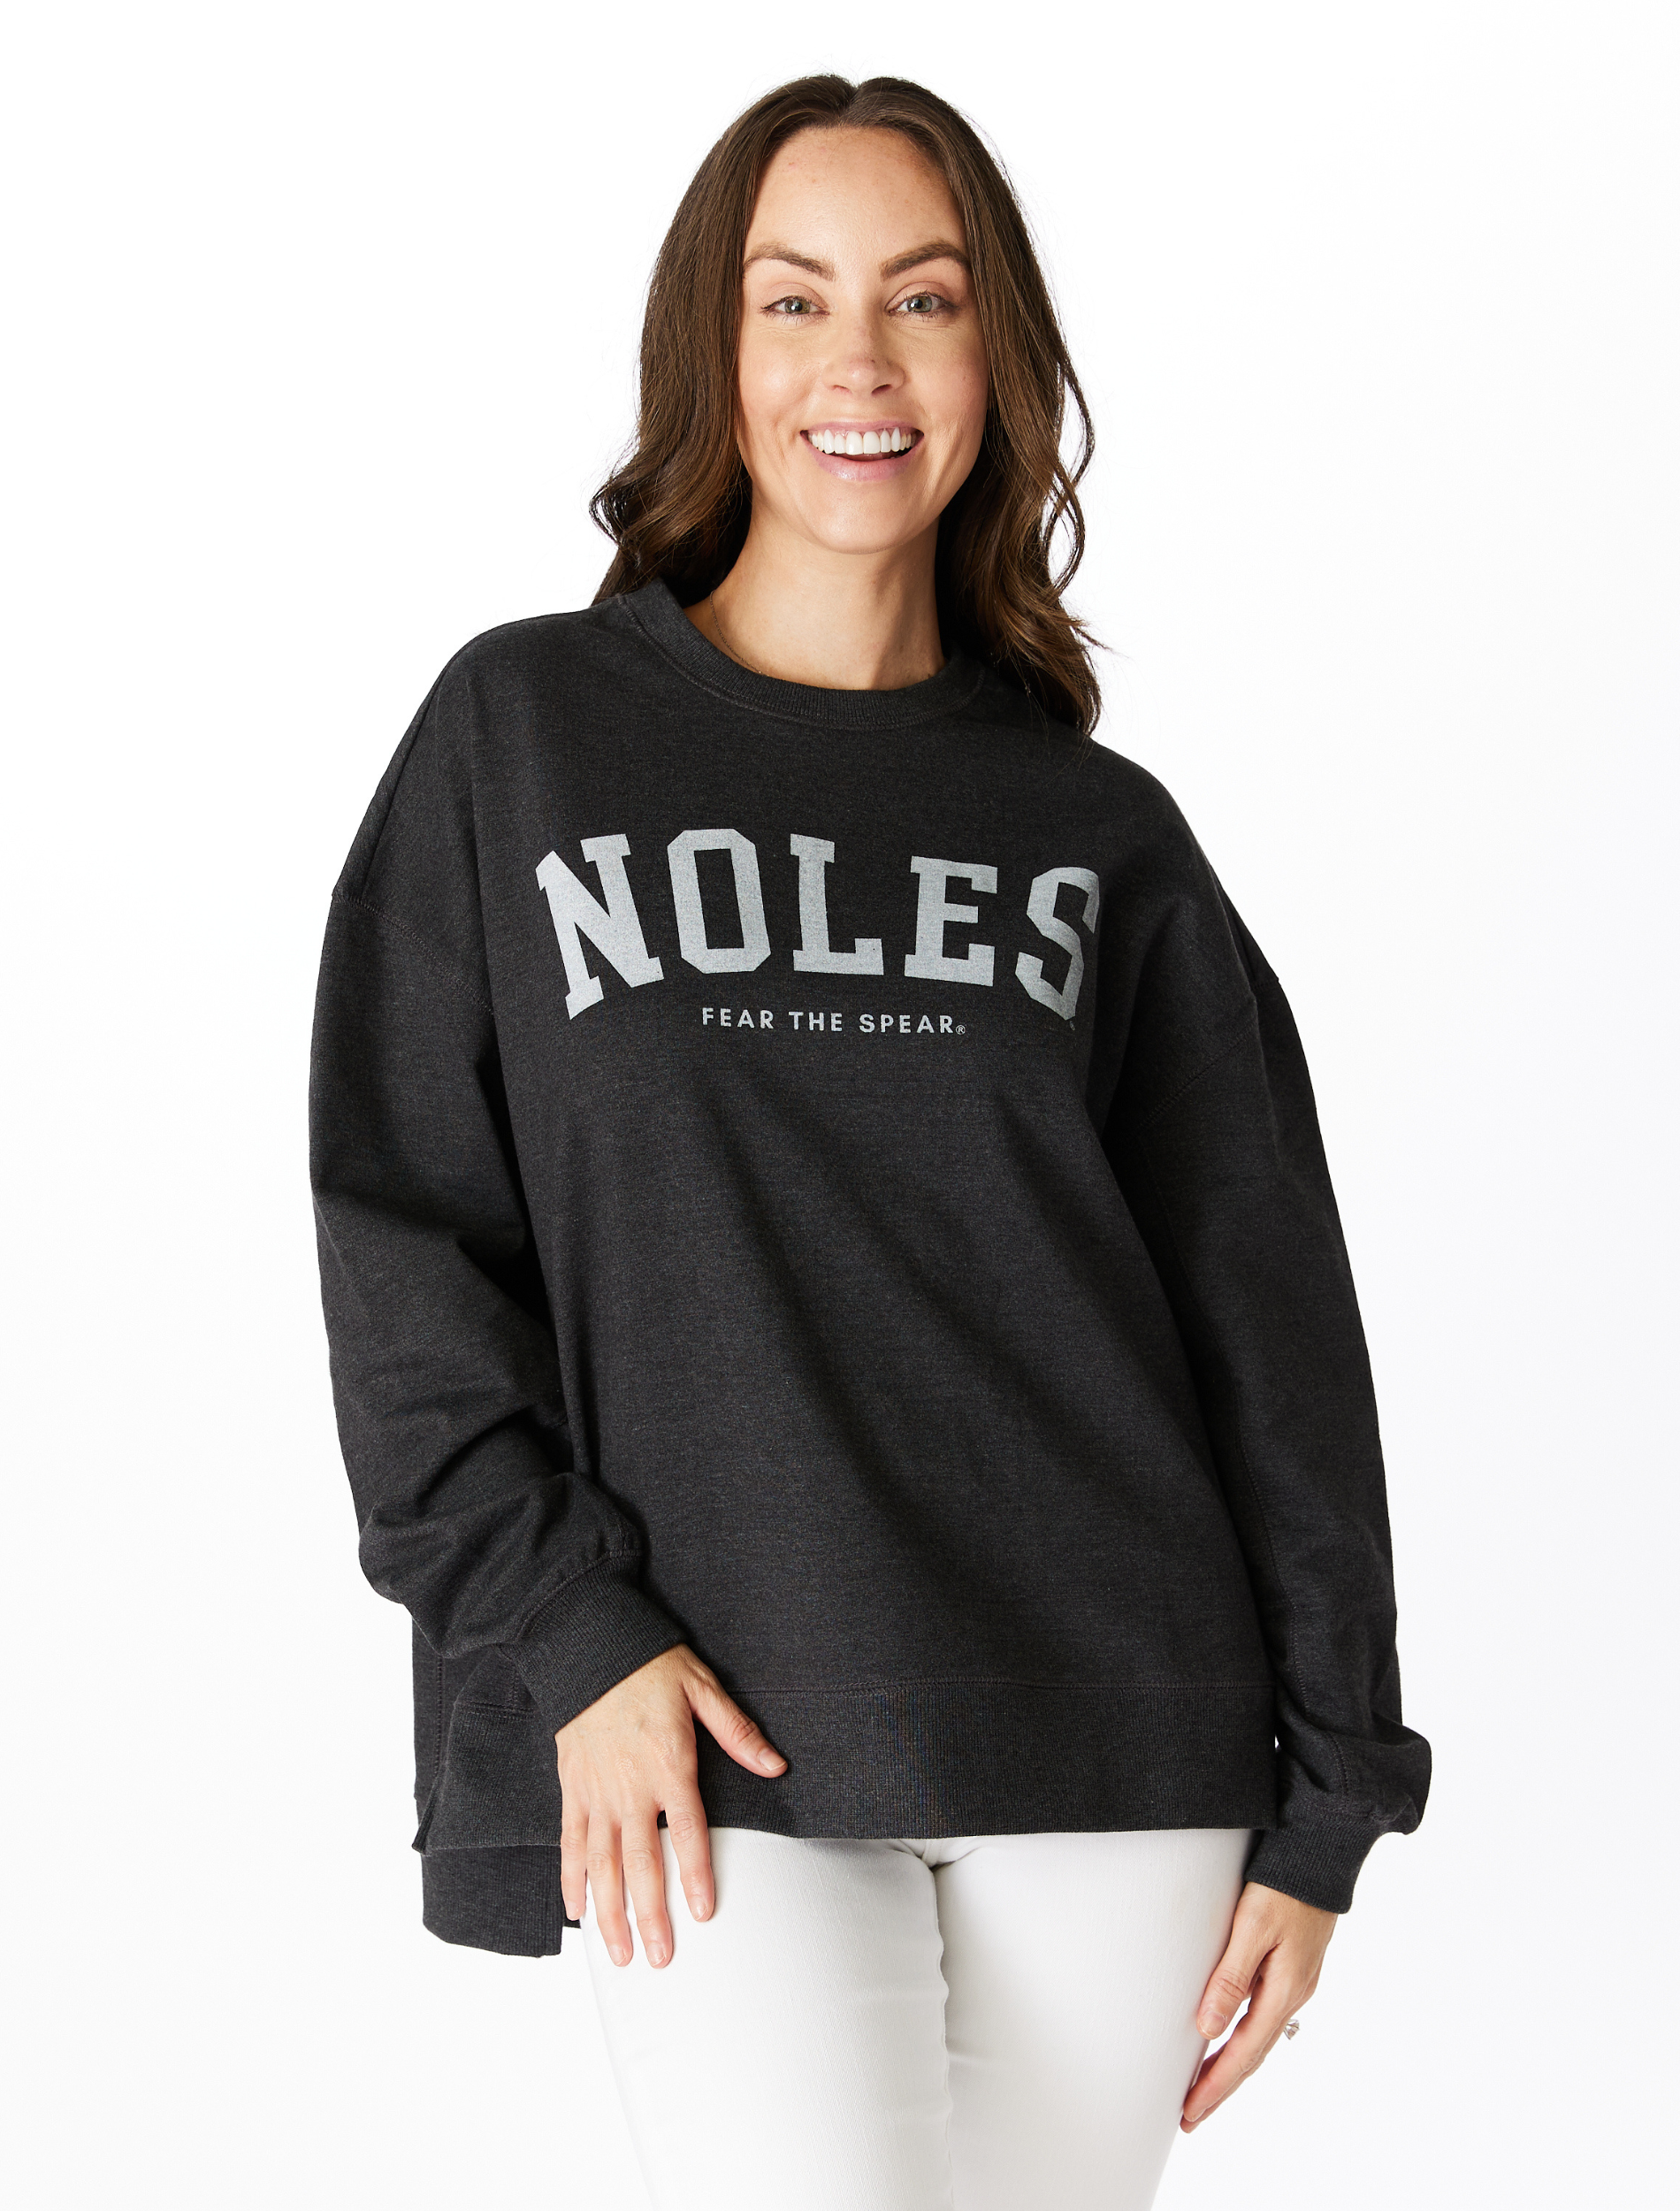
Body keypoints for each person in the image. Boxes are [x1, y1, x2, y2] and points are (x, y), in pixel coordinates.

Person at [309, 72, 1430, 2211]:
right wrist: (568, 1629)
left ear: (993, 358)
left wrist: (1330, 1793)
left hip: (1116, 1729)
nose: (859, 362)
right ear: (711, 354)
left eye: (921, 300)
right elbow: (405, 1236)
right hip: (704, 1713)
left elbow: (1267, 1320)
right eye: (792, 298)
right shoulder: (522, 737)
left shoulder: (1095, 833)